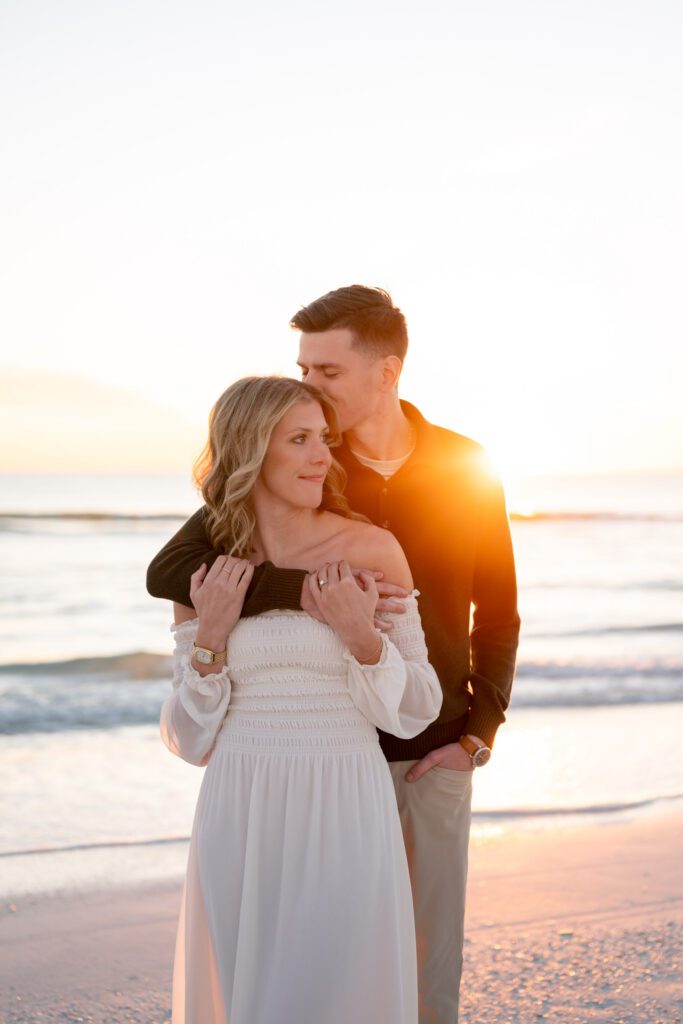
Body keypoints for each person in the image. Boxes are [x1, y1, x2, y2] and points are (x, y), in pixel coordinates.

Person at [148, 286, 520, 1024]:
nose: (310, 386)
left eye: (327, 371)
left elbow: (498, 610)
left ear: (385, 373)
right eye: (304, 369)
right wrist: (290, 592)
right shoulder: (304, 451)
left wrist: (479, 732)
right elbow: (171, 572)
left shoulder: (463, 467)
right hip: (285, 769)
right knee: (291, 969)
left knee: (420, 962)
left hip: (426, 741)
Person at [159, 375, 443, 1024]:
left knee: (338, 990)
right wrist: (210, 633)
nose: (323, 456)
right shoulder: (205, 572)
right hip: (242, 805)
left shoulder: (370, 549)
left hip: (345, 796)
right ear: (249, 451)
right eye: (299, 440)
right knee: (249, 997)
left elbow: (415, 706)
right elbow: (190, 740)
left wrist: (359, 636)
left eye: (324, 438)